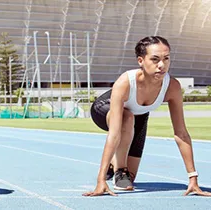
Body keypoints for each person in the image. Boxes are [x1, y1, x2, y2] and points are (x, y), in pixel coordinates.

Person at [83, 36, 211, 196]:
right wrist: (100, 180)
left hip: (139, 115)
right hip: (105, 109)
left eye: (166, 59)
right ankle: (119, 168)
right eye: (155, 59)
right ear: (140, 61)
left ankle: (115, 165)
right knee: (127, 118)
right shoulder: (125, 82)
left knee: (130, 178)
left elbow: (181, 133)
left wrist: (193, 178)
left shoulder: (172, 86)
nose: (161, 65)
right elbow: (114, 134)